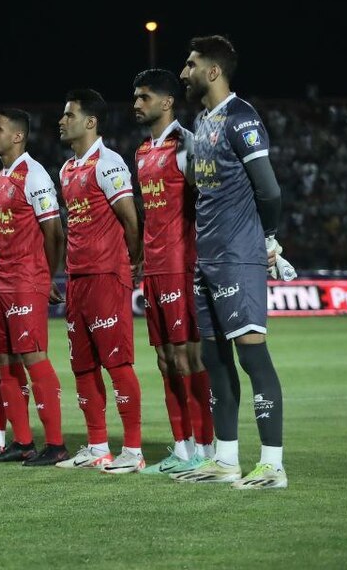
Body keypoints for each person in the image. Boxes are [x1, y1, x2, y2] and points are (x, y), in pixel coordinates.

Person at [175, 35, 289, 490]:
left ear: (213, 71)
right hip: (207, 258)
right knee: (214, 360)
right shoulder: (203, 121)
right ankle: (225, 460)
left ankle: (273, 465)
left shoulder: (242, 119)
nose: (184, 72)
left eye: (190, 64)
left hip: (239, 257)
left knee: (252, 357)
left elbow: (271, 190)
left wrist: (269, 239)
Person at [56, 89, 146, 473]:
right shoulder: (66, 169)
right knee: (82, 365)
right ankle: (96, 445)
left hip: (107, 275)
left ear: (90, 121)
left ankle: (134, 451)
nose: (62, 121)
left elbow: (130, 218)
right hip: (77, 278)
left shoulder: (108, 164)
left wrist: (132, 261)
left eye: (69, 115)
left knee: (117, 363)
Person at [131, 70, 215, 474]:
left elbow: (209, 202)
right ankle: (182, 449)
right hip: (155, 269)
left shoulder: (188, 146)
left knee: (189, 359)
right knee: (165, 360)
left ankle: (208, 448)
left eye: (144, 97)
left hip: (184, 267)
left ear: (167, 102)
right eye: (135, 97)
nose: (136, 104)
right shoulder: (143, 151)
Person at [0, 109, 70, 466]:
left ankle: (56, 444)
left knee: (33, 357)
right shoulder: (2, 176)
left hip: (24, 282)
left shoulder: (33, 175)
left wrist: (46, 276)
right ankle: (21, 441)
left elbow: (54, 232)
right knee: (1, 361)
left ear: (17, 136)